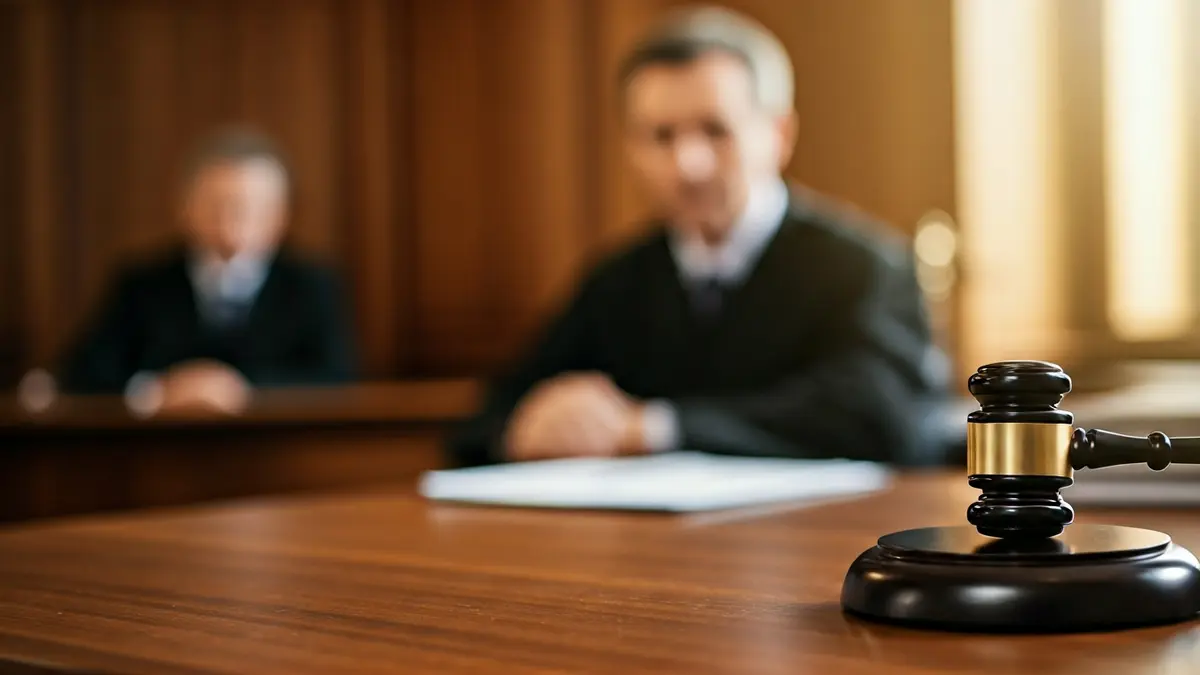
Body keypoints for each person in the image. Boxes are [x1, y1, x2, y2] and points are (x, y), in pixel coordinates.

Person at [448, 7, 947, 466]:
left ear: (778, 135)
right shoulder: (618, 283)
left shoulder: (866, 268)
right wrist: (528, 429)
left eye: (715, 130)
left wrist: (654, 427)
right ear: (631, 149)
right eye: (661, 136)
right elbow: (485, 420)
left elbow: (882, 417)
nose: (688, 165)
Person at [56, 128, 357, 413]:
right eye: (218, 204)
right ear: (186, 207)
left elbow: (337, 379)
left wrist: (240, 389)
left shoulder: (310, 284)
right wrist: (158, 391)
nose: (232, 221)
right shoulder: (142, 283)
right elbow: (84, 376)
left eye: (250, 206)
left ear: (281, 214)